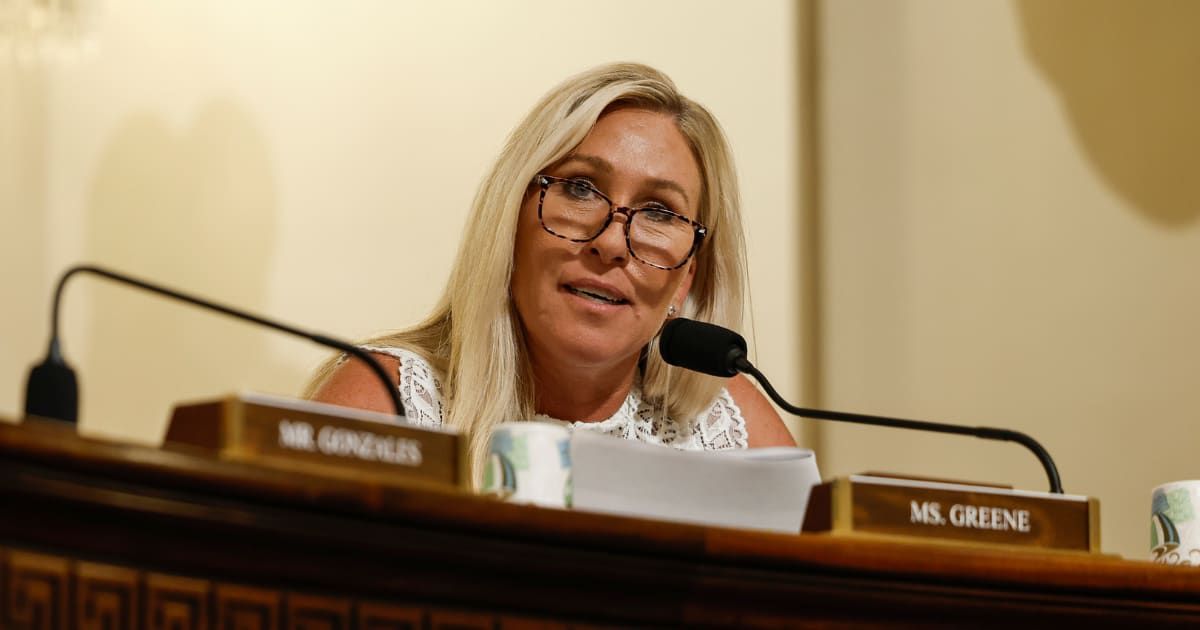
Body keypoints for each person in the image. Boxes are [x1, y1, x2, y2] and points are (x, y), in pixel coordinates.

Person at [307, 62, 794, 482]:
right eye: (580, 188)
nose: (609, 243)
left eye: (660, 213)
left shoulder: (728, 430)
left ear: (688, 273)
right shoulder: (387, 404)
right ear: (510, 223)